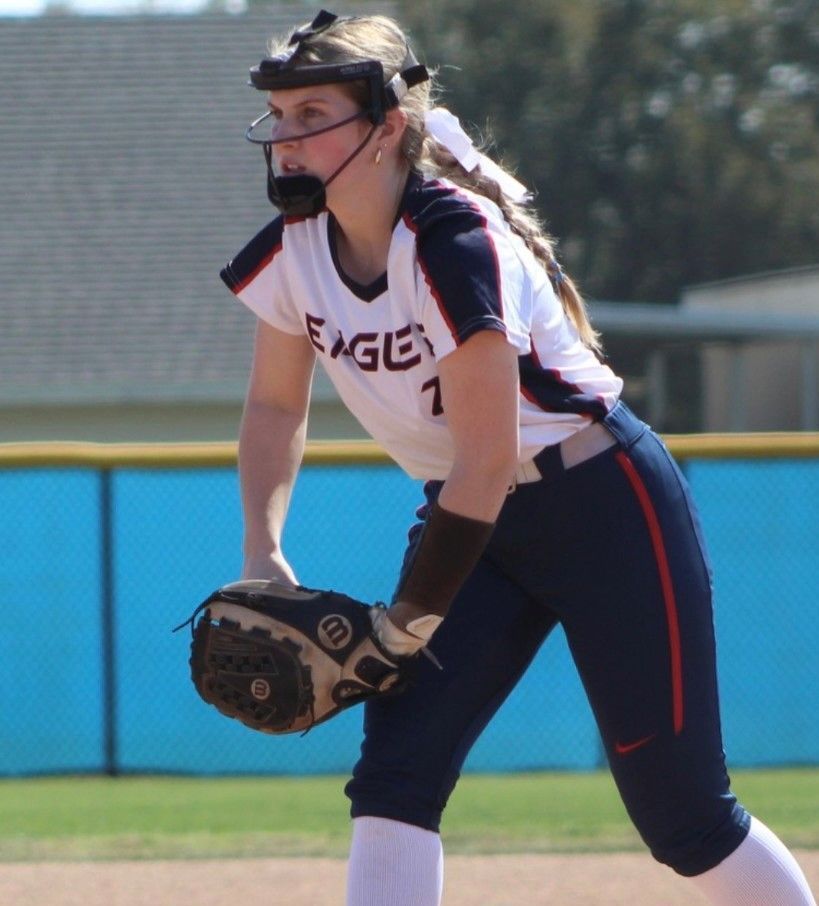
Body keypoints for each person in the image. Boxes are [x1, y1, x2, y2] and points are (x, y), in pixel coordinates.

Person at [220, 10, 816, 905]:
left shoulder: (452, 244)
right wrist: (262, 551)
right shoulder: (294, 253)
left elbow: (490, 458)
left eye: (314, 115)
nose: (287, 139)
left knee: (685, 817)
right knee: (395, 776)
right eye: (281, 116)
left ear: (386, 126)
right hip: (473, 524)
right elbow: (273, 406)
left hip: (602, 506)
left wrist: (412, 616)